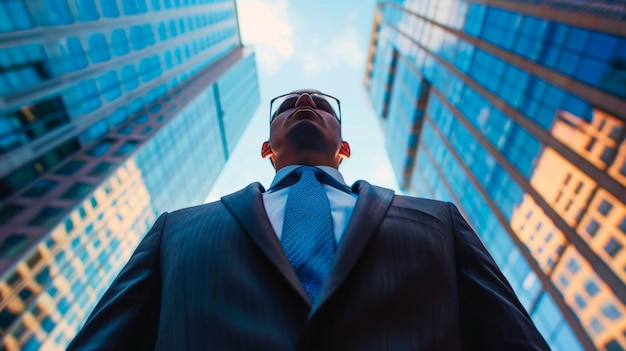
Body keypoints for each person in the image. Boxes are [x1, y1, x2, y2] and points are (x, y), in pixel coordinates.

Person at [67, 89, 550, 350]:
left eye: (320, 103)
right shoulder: (176, 229)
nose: (304, 104)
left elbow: (511, 337)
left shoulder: (438, 221)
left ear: (344, 148)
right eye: (289, 104)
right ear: (265, 149)